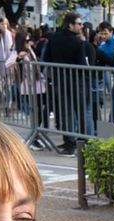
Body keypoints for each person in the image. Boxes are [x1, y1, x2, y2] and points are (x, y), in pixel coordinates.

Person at [42, 12, 92, 156]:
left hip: (60, 79)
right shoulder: (78, 42)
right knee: (81, 111)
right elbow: (83, 62)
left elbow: (47, 58)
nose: (81, 26)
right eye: (79, 23)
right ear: (70, 25)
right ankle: (82, 142)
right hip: (77, 80)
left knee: (66, 112)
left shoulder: (54, 38)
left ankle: (69, 142)